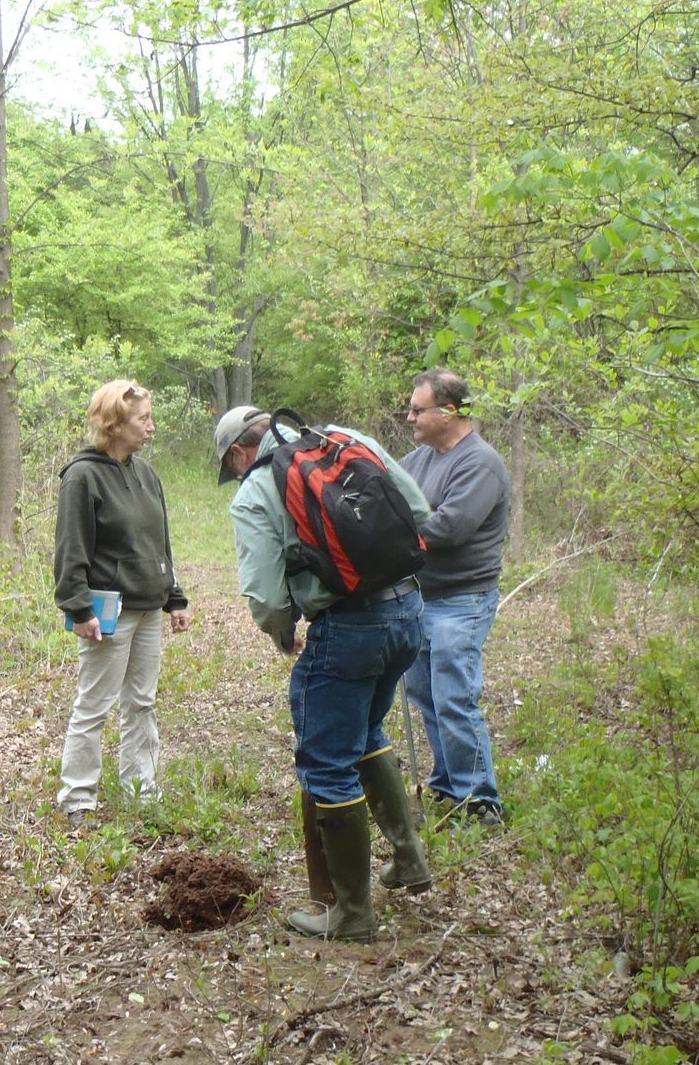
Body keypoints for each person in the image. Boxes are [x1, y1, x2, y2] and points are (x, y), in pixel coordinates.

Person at [214, 405, 434, 940]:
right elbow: (419, 511)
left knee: (327, 762)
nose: (237, 475)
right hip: (409, 609)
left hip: (349, 628)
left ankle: (351, 914)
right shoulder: (342, 438)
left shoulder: (256, 490)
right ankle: (408, 859)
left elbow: (266, 598)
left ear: (241, 452)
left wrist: (282, 632)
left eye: (233, 466)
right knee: (364, 735)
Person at [53, 380, 190, 819]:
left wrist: (175, 598)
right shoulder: (82, 476)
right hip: (108, 612)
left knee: (141, 702)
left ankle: (140, 790)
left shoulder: (146, 473)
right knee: (94, 705)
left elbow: (159, 542)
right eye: (142, 419)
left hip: (149, 608)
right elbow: (71, 550)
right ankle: (78, 798)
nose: (152, 427)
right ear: (113, 424)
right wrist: (77, 608)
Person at [398, 368, 511, 824]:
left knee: (454, 696)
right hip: (423, 598)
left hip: (463, 601)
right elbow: (387, 498)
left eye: (417, 409)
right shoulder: (418, 461)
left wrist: (397, 528)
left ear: (448, 411)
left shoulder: (480, 463)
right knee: (426, 695)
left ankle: (482, 801)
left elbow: (449, 528)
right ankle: (450, 784)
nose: (409, 418)